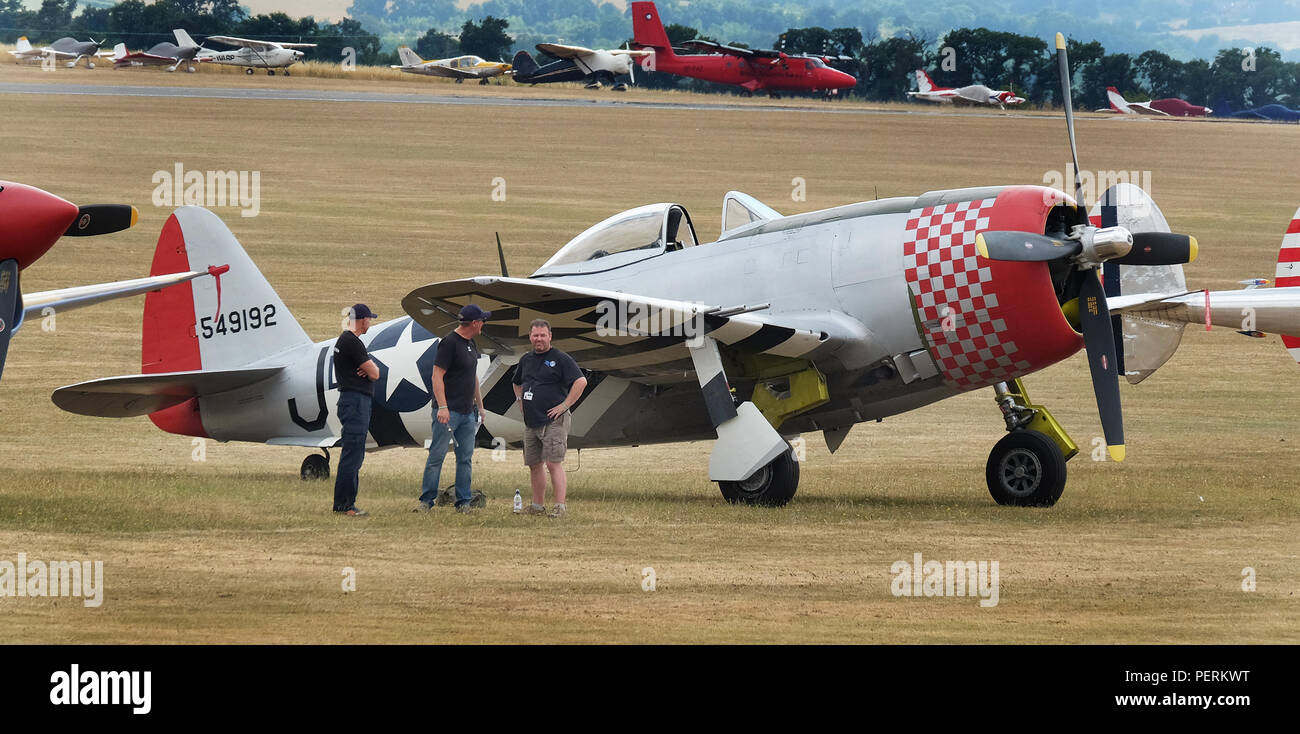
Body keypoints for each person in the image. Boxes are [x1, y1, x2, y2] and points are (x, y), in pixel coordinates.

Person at [417, 304, 490, 513]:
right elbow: (436, 376)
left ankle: (464, 501)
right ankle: (426, 500)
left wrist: (480, 406)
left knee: (465, 458)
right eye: (482, 321)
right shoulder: (449, 343)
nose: (484, 324)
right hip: (449, 412)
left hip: (468, 413)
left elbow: (473, 376)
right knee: (437, 455)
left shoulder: (471, 343)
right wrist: (442, 407)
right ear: (475, 323)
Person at [512, 319, 587, 518]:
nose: (539, 339)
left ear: (550, 336)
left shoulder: (560, 358)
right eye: (535, 335)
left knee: (553, 463)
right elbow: (516, 382)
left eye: (542, 335)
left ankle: (560, 507)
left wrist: (564, 406)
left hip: (554, 421)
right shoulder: (526, 359)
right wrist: (520, 401)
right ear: (530, 337)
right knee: (534, 465)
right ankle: (537, 506)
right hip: (531, 422)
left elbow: (580, 381)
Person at [333, 304, 380, 517]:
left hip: (352, 400)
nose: (370, 322)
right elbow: (375, 373)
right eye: (369, 319)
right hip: (355, 402)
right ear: (362, 320)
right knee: (353, 454)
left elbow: (369, 370)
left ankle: (346, 502)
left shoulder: (346, 341)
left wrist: (367, 368)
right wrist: (369, 368)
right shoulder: (352, 342)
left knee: (353, 453)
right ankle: (345, 505)